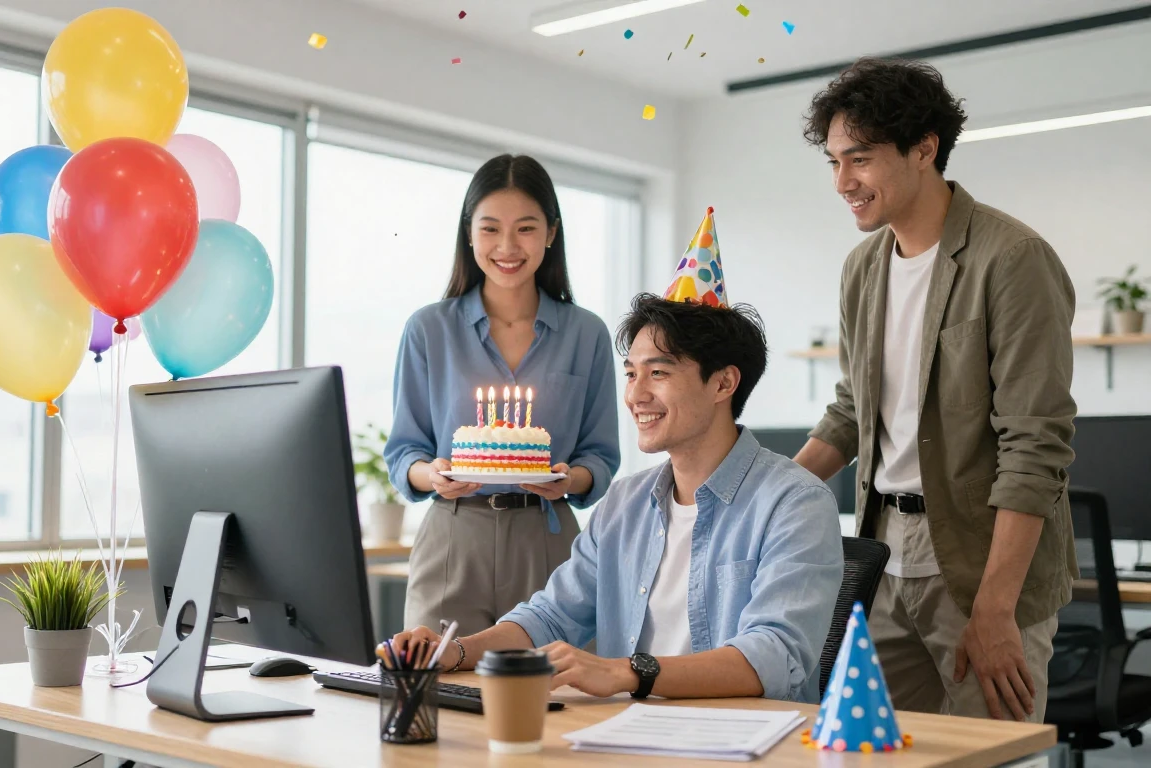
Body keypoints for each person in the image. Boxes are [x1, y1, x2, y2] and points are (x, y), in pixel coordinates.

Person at [792, 58, 1078, 722]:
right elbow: (852, 411)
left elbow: (1034, 447)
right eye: (833, 162)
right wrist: (766, 493)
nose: (842, 182)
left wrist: (996, 608)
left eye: (858, 159)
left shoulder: (1011, 260)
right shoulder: (862, 268)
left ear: (925, 148)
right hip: (881, 550)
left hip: (980, 563)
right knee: (864, 750)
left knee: (984, 755)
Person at [394, 295, 842, 703]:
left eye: (659, 373)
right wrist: (452, 652)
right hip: (619, 735)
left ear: (724, 383)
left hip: (741, 744)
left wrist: (628, 673)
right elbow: (550, 617)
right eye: (631, 373)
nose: (635, 395)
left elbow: (775, 655)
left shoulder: (796, 502)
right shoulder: (624, 502)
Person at [384, 154, 621, 633]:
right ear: (468, 233)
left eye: (526, 228)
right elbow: (404, 451)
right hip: (454, 535)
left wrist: (567, 479)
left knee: (555, 697)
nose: (507, 246)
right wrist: (433, 474)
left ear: (551, 233)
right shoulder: (428, 329)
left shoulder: (587, 333)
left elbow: (599, 456)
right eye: (490, 228)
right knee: (435, 689)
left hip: (547, 538)